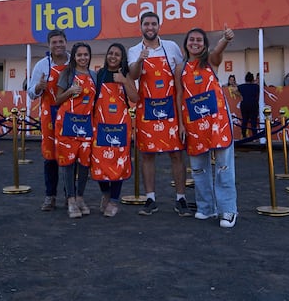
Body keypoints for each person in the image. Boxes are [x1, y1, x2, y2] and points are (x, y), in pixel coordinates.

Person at [128, 11, 190, 217]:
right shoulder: (134, 50)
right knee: (147, 155)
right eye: (146, 24)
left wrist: (182, 120)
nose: (150, 27)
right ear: (140, 27)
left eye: (153, 24)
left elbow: (180, 80)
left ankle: (181, 198)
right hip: (147, 109)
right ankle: (150, 198)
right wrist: (140, 60)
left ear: (159, 26)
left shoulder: (171, 47)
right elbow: (134, 76)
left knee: (176, 154)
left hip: (170, 109)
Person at [175, 25, 238, 228]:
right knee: (199, 168)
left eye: (199, 40)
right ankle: (206, 207)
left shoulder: (211, 60)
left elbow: (219, 50)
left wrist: (226, 39)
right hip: (193, 122)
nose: (195, 42)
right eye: (191, 39)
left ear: (204, 44)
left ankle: (228, 210)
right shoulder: (180, 68)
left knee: (223, 166)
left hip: (217, 119)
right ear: (186, 43)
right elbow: (179, 95)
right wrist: (181, 124)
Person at [91, 43, 139, 217]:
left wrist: (124, 81)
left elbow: (135, 98)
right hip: (100, 125)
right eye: (110, 53)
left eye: (117, 54)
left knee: (118, 162)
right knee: (99, 161)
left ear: (122, 58)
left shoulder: (126, 74)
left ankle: (114, 200)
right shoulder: (99, 75)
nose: (113, 56)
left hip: (120, 126)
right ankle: (105, 193)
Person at [28, 29, 69, 211]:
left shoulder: (73, 62)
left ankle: (71, 196)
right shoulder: (42, 65)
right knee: (50, 157)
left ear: (65, 42)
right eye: (54, 42)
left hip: (71, 114)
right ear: (49, 45)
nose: (58, 45)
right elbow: (30, 93)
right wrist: (38, 87)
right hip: (49, 115)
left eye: (61, 41)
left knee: (70, 156)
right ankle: (50, 196)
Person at [55, 42, 97, 219]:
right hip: (68, 123)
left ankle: (80, 197)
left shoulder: (94, 75)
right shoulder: (67, 73)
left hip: (86, 123)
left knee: (85, 162)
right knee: (68, 163)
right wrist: (70, 91)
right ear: (74, 57)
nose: (83, 58)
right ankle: (70, 199)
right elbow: (57, 99)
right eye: (79, 55)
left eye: (85, 55)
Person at [238, 71, 259, 139]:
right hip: (253, 104)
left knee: (244, 120)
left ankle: (244, 136)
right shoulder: (256, 86)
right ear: (252, 79)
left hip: (244, 104)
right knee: (253, 121)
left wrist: (240, 95)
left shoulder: (241, 86)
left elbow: (233, 90)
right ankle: (255, 137)